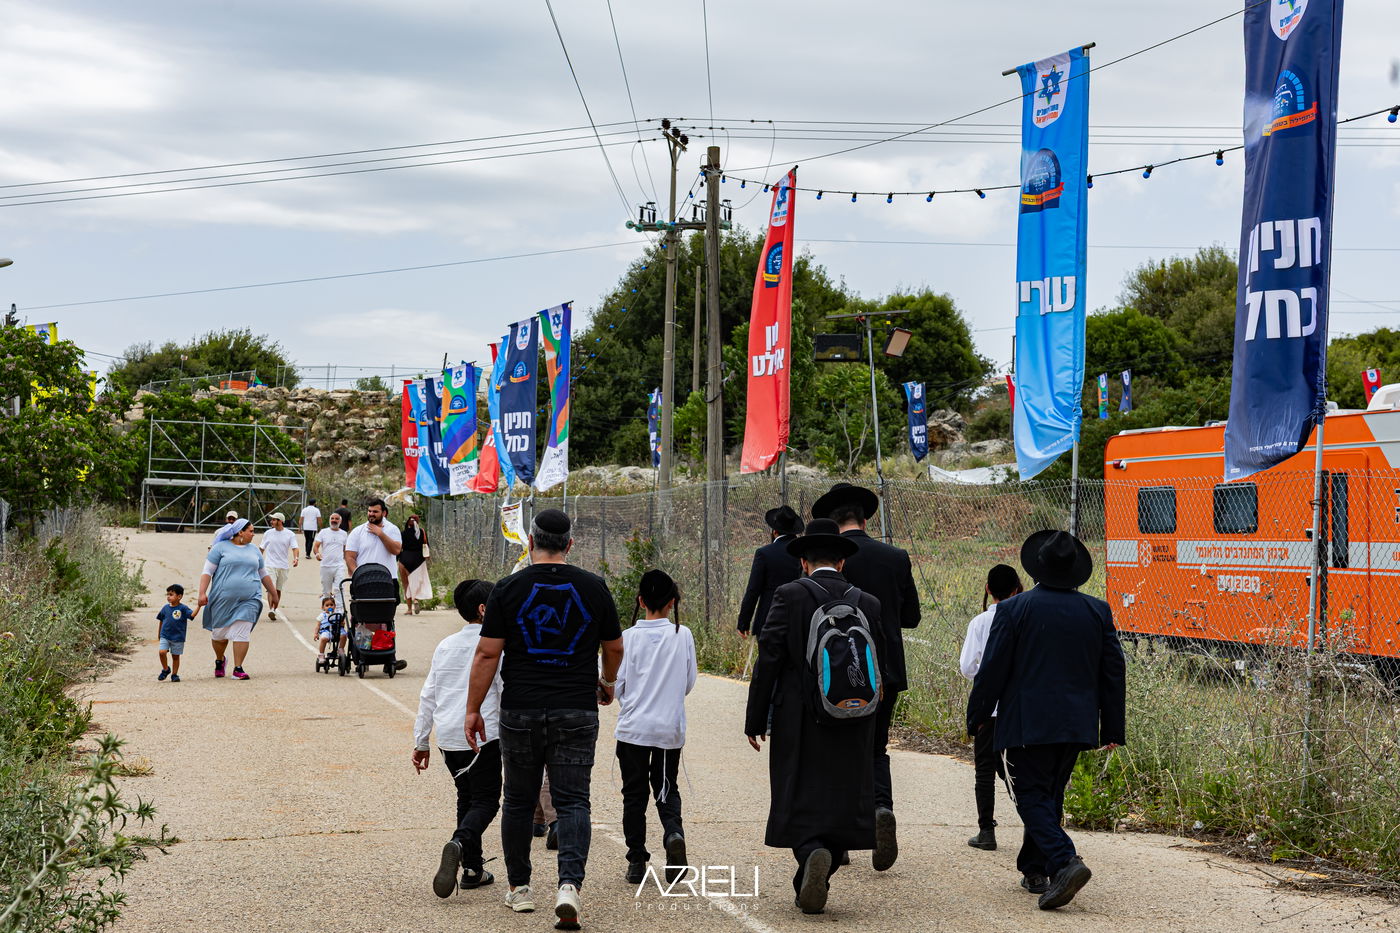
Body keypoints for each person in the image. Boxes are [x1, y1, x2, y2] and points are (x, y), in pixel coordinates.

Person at [464, 508, 623, 930]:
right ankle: (569, 885)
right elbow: (614, 647)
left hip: (521, 708)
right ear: (570, 544)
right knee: (573, 801)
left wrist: (473, 708)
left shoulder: (508, 588)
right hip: (576, 707)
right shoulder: (594, 587)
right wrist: (606, 682)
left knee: (518, 800)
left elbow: (486, 653)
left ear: (530, 542)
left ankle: (520, 888)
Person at [967, 530, 1127, 911]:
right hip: (1076, 724)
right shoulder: (1097, 611)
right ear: (1075, 571)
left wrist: (978, 716)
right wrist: (1112, 727)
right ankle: (1035, 868)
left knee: (1029, 795)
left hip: (1026, 723)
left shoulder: (1013, 610)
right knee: (1050, 794)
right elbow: (1113, 670)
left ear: (1036, 568)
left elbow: (992, 670)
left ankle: (1065, 861)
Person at [744, 518, 883, 915]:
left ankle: (810, 852)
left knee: (797, 788)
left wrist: (756, 718)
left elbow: (769, 659)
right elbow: (881, 667)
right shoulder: (868, 603)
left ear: (803, 562)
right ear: (842, 562)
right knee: (845, 792)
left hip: (798, 715)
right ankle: (829, 854)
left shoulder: (789, 595)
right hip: (855, 715)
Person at [811, 482, 921, 871]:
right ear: (864, 519)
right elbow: (911, 617)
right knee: (876, 749)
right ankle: (881, 807)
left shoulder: (829, 561)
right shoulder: (895, 557)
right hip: (885, 671)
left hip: (836, 672)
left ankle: (839, 841)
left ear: (831, 524)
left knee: (836, 751)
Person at [414, 579, 504, 898]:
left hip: (449, 737)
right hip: (482, 735)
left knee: (466, 796)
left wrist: (421, 741)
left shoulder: (446, 645)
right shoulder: (496, 645)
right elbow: (504, 689)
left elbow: (428, 694)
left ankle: (472, 869)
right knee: (486, 800)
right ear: (484, 609)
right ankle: (459, 842)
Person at [615, 570, 696, 885]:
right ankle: (673, 833)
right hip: (668, 730)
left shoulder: (627, 637)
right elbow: (688, 682)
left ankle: (637, 861)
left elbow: (617, 685)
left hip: (633, 729)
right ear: (672, 601)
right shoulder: (682, 635)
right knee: (666, 788)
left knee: (633, 795)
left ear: (640, 601)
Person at [959, 564, 1024, 851]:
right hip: (1016, 708)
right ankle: (1034, 825)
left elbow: (966, 667)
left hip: (988, 707)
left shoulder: (980, 622)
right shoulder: (1023, 618)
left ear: (988, 589)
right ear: (1016, 590)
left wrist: (986, 675)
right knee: (1016, 771)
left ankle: (986, 830)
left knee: (984, 769)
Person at [198, 518, 279, 681]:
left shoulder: (254, 550)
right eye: (251, 531)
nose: (253, 534)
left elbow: (263, 573)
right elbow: (207, 571)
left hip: (250, 598)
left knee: (242, 631)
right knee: (219, 635)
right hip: (222, 599)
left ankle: (238, 668)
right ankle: (220, 660)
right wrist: (202, 593)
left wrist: (273, 593)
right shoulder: (220, 548)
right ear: (240, 532)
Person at [735, 505, 804, 640]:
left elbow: (753, 590)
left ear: (774, 531)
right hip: (798, 619)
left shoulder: (765, 553)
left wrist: (744, 622)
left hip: (768, 619)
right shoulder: (802, 553)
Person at [344, 499, 402, 575]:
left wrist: (381, 534)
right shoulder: (357, 531)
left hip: (388, 578)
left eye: (375, 512)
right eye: (369, 511)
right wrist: (357, 574)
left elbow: (396, 550)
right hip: (364, 578)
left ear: (384, 513)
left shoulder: (392, 529)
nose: (371, 514)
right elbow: (349, 557)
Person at [259, 512, 299, 621]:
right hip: (270, 565)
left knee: (278, 589)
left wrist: (296, 558)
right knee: (270, 588)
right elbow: (261, 548)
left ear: (280, 521)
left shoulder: (290, 534)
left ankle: (274, 609)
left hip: (283, 566)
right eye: (271, 520)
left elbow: (295, 548)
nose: (271, 521)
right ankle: (271, 609)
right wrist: (257, 560)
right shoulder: (268, 533)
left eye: (274, 520)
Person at [156, 583, 197, 683]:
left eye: (171, 594)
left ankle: (174, 674)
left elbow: (192, 615)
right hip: (165, 635)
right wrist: (159, 634)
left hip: (178, 637)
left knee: (175, 657)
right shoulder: (165, 608)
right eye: (167, 594)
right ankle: (165, 669)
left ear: (179, 596)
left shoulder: (183, 608)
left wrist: (199, 606)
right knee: (162, 652)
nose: (168, 597)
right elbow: (161, 620)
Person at [314, 512, 350, 611]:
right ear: (330, 520)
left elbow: (346, 550)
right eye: (332, 518)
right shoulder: (323, 532)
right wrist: (317, 554)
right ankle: (327, 612)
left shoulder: (344, 534)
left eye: (336, 519)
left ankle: (340, 611)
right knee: (326, 591)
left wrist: (349, 563)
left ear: (340, 521)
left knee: (339, 588)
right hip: (325, 566)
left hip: (339, 566)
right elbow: (316, 546)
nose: (334, 520)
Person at [398, 514, 432, 615]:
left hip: (404, 559)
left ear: (408, 522)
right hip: (418, 561)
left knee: (406, 584)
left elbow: (399, 548)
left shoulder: (403, 533)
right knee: (415, 583)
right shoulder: (422, 532)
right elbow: (426, 545)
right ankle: (416, 600)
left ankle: (409, 609)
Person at [314, 595, 346, 662]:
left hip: (337, 629)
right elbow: (318, 626)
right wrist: (316, 633)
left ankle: (341, 649)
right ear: (323, 607)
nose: (329, 607)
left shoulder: (337, 614)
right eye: (327, 605)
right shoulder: (322, 615)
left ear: (335, 606)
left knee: (343, 635)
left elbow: (342, 623)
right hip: (326, 630)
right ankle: (321, 654)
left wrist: (342, 623)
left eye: (331, 605)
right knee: (324, 639)